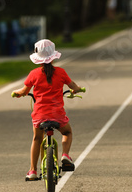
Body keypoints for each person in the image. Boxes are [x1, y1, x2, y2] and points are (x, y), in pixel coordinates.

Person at [12, 39, 84, 181]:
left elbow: (24, 91)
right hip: (57, 115)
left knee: (37, 139)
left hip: (40, 115)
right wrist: (77, 89)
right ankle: (65, 155)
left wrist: (17, 93)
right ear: (53, 56)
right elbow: (73, 86)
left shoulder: (33, 74)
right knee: (67, 132)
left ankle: (32, 170)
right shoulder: (61, 72)